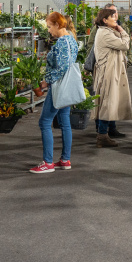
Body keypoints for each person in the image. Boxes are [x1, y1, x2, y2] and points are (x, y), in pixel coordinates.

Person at [30, 11, 79, 174]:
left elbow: (61, 68)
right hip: (68, 86)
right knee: (64, 121)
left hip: (58, 86)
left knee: (44, 122)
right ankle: (65, 160)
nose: (49, 30)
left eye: (50, 26)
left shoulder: (62, 43)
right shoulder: (71, 39)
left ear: (58, 25)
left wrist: (46, 82)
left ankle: (47, 162)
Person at [93, 7, 132, 147]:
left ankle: (105, 132)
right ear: (105, 20)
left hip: (109, 70)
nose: (115, 19)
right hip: (108, 72)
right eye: (112, 17)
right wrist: (122, 31)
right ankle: (102, 136)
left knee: (107, 101)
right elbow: (125, 45)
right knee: (107, 103)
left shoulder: (106, 31)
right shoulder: (105, 34)